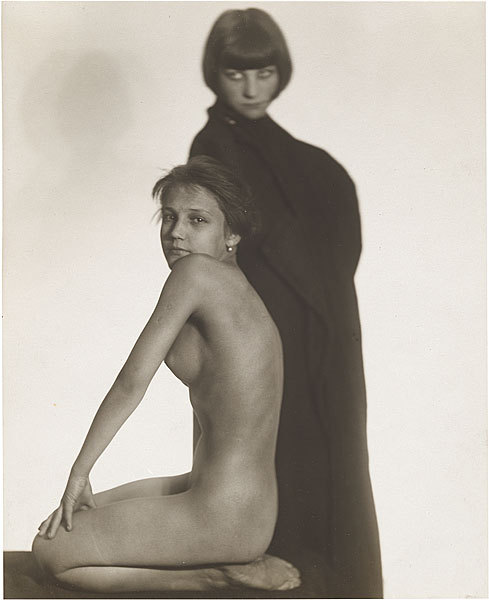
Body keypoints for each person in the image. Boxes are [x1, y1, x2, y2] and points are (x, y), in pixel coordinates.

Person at [32, 156, 301, 595]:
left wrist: (79, 471)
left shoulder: (196, 273)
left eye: (198, 220)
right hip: (246, 508)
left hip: (222, 515)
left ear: (232, 234)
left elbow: (130, 383)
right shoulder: (237, 290)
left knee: (50, 550)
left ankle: (211, 575)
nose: (176, 232)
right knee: (74, 518)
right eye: (170, 217)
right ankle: (227, 557)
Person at [189, 8, 383, 598]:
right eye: (236, 74)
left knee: (329, 461)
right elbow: (207, 260)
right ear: (216, 74)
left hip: (321, 334)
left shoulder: (308, 161)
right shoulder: (212, 149)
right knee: (267, 462)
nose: (251, 88)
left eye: (264, 73)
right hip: (260, 336)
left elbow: (339, 247)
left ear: (281, 73)